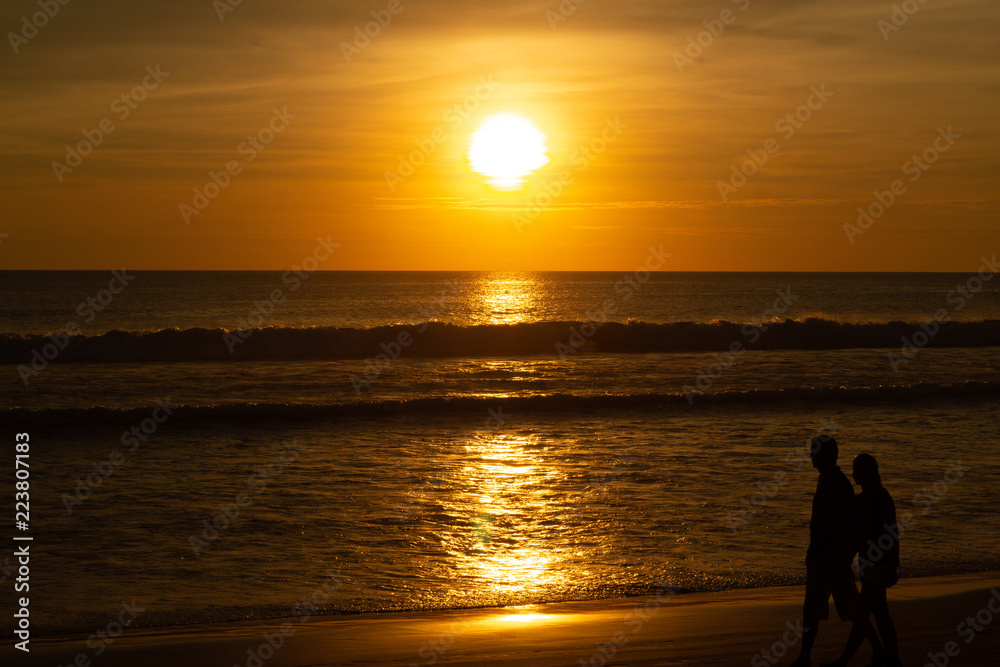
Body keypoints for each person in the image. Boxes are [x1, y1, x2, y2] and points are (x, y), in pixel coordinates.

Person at [792, 436, 883, 667]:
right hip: (821, 557)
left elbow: (843, 526)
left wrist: (837, 559)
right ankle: (804, 657)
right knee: (813, 610)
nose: (811, 457)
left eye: (815, 453)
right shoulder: (827, 481)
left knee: (852, 610)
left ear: (826, 457)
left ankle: (879, 650)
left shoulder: (838, 485)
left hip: (831, 560)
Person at [821, 453, 901, 667]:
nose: (855, 473)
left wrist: (893, 564)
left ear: (870, 472)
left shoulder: (876, 498)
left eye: (859, 469)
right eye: (854, 469)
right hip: (869, 563)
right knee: (879, 614)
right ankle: (890, 659)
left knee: (863, 613)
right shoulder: (868, 498)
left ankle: (846, 660)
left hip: (877, 564)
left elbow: (889, 533)